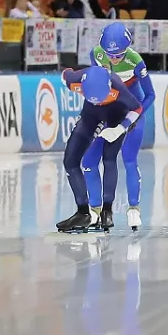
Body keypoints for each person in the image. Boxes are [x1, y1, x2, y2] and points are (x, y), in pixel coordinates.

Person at [81, 23, 156, 232]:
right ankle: (95, 210)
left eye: (119, 55)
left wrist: (131, 119)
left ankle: (134, 207)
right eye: (109, 55)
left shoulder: (135, 61)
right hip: (108, 111)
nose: (113, 59)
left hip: (133, 110)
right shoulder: (96, 54)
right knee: (89, 160)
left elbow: (150, 95)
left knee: (129, 159)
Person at [55, 66, 143, 233]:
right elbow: (64, 74)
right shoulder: (74, 80)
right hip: (91, 116)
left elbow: (137, 108)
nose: (98, 102)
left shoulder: (117, 86)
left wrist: (121, 128)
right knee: (70, 162)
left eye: (101, 98)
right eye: (94, 99)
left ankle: (107, 211)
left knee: (109, 158)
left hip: (117, 116)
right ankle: (83, 213)